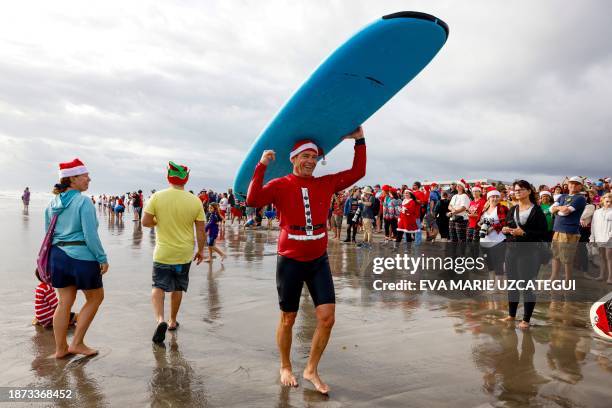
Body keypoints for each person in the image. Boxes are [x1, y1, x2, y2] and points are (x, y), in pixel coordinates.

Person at [246, 127, 365, 394]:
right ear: (293, 158)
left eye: (314, 156)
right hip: (290, 259)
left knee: (327, 318)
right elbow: (252, 199)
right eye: (305, 156)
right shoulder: (280, 184)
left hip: (318, 259)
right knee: (288, 317)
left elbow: (358, 173)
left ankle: (311, 369)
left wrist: (359, 141)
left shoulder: (326, 183)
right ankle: (285, 365)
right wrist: (262, 165)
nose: (310, 160)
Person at [45, 158, 108, 358]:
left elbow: (48, 235)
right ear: (72, 178)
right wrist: (102, 257)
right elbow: (90, 235)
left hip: (58, 256)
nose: (89, 179)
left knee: (64, 302)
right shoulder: (83, 201)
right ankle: (77, 343)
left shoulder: (52, 204)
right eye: (85, 175)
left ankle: (60, 349)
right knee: (96, 297)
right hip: (82, 256)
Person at [142, 161, 207, 344]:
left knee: (158, 286)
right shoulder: (195, 200)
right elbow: (201, 231)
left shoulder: (157, 197)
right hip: (184, 253)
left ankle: (160, 319)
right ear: (186, 179)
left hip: (163, 252)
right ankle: (172, 321)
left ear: (168, 177)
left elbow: (145, 222)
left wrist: (158, 222)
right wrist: (201, 251)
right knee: (178, 287)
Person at [500, 180, 548, 329]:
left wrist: (525, 233)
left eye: (520, 189)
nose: (517, 192)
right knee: (512, 284)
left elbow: (543, 233)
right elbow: (508, 226)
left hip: (529, 252)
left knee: (527, 286)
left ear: (528, 191)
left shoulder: (536, 210)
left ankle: (526, 319)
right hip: (512, 251)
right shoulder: (512, 209)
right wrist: (506, 230)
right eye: (515, 190)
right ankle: (511, 315)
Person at [550, 176, 587, 281]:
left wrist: (557, 209)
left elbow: (565, 212)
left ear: (581, 186)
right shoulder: (562, 196)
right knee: (555, 255)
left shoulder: (580, 198)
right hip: (558, 229)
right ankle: (553, 277)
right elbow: (551, 209)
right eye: (571, 183)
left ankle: (568, 280)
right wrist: (559, 208)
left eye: (576, 184)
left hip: (569, 231)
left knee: (567, 258)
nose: (573, 185)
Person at [478, 189, 508, 279]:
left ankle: (497, 287)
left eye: (497, 196)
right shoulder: (484, 209)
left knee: (498, 264)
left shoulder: (502, 208)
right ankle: (492, 283)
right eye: (492, 196)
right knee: (490, 265)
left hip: (498, 241)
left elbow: (505, 221)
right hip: (485, 241)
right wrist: (481, 225)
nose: (495, 198)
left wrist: (493, 227)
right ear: (488, 198)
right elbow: (478, 221)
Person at [588, 192, 612, 283]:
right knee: (602, 257)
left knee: (609, 257)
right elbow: (593, 225)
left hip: (610, 238)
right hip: (599, 237)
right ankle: (602, 275)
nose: (608, 202)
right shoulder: (597, 212)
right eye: (606, 200)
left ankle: (610, 277)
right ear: (602, 200)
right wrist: (592, 238)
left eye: (610, 200)